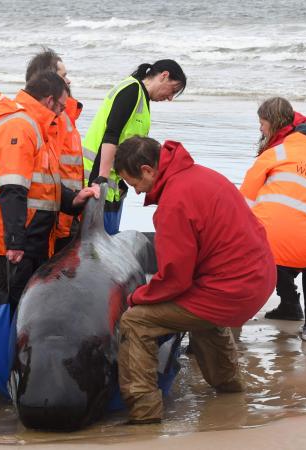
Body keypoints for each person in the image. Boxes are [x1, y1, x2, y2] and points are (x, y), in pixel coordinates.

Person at [113, 137, 276, 424]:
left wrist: (137, 297)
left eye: (132, 182)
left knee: (136, 321)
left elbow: (175, 280)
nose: (136, 191)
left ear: (148, 170)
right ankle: (229, 388)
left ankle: (144, 413)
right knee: (198, 312)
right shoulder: (202, 175)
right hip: (259, 279)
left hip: (231, 290)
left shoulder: (174, 202)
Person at [0, 71, 99, 312]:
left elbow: (41, 185)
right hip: (11, 238)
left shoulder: (34, 126)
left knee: (29, 305)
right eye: (61, 106)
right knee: (18, 308)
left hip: (27, 233)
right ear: (49, 101)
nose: (61, 113)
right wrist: (15, 242)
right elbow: (12, 187)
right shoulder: (19, 126)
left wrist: (73, 200)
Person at [240, 97, 306, 341]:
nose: (260, 129)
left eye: (261, 123)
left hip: (269, 250)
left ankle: (235, 317)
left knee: (263, 238)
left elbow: (243, 201)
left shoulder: (276, 151)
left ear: (273, 124)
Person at [82, 59, 186, 234]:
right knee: (98, 247)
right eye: (173, 90)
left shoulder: (142, 99)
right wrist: (100, 180)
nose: (170, 98)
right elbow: (111, 134)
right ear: (164, 76)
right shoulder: (131, 90)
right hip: (97, 181)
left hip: (113, 184)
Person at [25, 47, 84, 253]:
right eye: (63, 76)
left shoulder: (65, 115)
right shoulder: (50, 119)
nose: (68, 81)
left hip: (69, 211)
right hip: (55, 217)